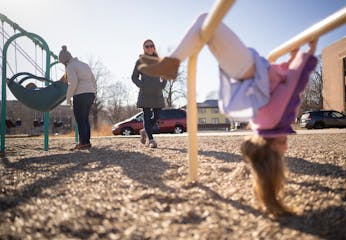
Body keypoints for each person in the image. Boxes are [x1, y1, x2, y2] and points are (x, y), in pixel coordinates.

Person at [138, 14, 318, 216]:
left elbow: (293, 84)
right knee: (205, 26)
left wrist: (309, 53)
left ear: (273, 147)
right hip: (244, 72)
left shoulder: (275, 120)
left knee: (208, 21)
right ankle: (172, 63)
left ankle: (172, 63)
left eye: (281, 152)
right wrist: (295, 59)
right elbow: (283, 84)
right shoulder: (266, 124)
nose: (286, 148)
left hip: (248, 68)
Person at [59, 45, 96, 150]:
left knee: (80, 120)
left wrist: (68, 97)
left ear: (64, 61)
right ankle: (87, 142)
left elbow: (74, 83)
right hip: (90, 94)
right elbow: (93, 80)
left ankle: (83, 143)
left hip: (80, 95)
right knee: (85, 119)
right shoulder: (84, 65)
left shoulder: (70, 66)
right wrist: (94, 92)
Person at [131, 39, 167, 148]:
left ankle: (144, 131)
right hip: (145, 93)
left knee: (157, 116)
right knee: (146, 116)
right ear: (144, 48)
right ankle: (151, 140)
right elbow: (134, 77)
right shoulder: (140, 61)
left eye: (151, 45)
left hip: (157, 93)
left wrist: (162, 85)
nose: (149, 47)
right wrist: (142, 84)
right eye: (147, 46)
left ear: (154, 47)